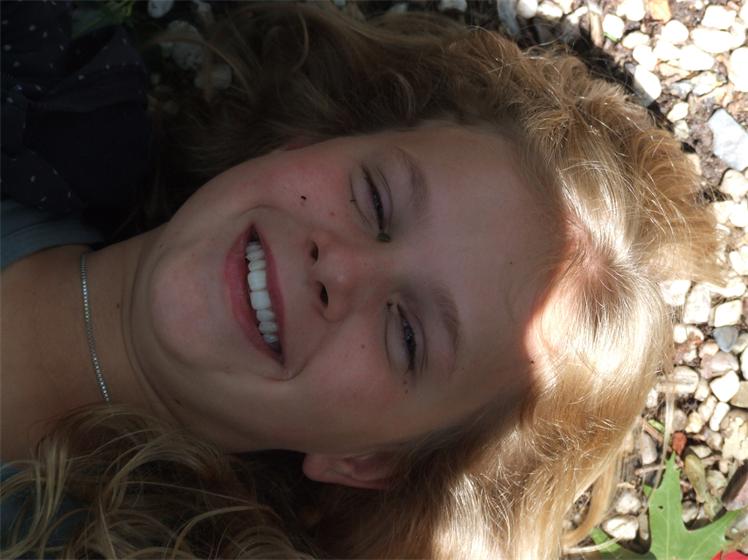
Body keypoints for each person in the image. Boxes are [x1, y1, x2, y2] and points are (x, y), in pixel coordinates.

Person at [0, 2, 726, 558]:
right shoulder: (29, 72)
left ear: (367, 462)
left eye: (408, 336)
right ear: (307, 140)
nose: (340, 267)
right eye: (375, 200)